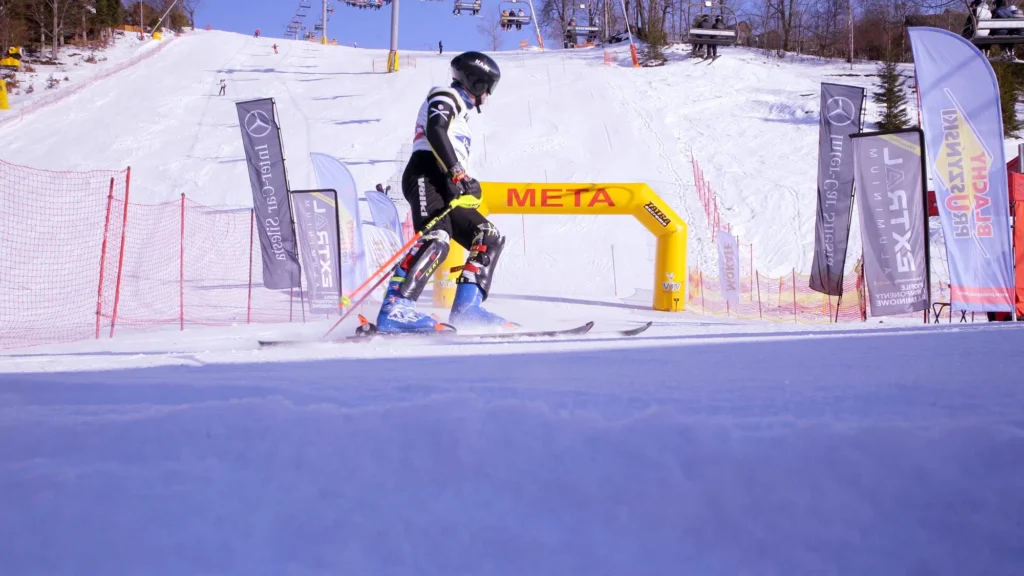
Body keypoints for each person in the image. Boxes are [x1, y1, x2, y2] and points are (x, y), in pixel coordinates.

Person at [375, 51, 510, 333]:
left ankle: (467, 310)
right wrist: (459, 173)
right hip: (426, 172)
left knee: (488, 236)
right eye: (488, 87)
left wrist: (462, 180)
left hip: (447, 182)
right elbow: (436, 130)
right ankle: (396, 309)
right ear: (476, 82)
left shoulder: (462, 114)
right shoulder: (445, 96)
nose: (488, 95)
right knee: (437, 238)